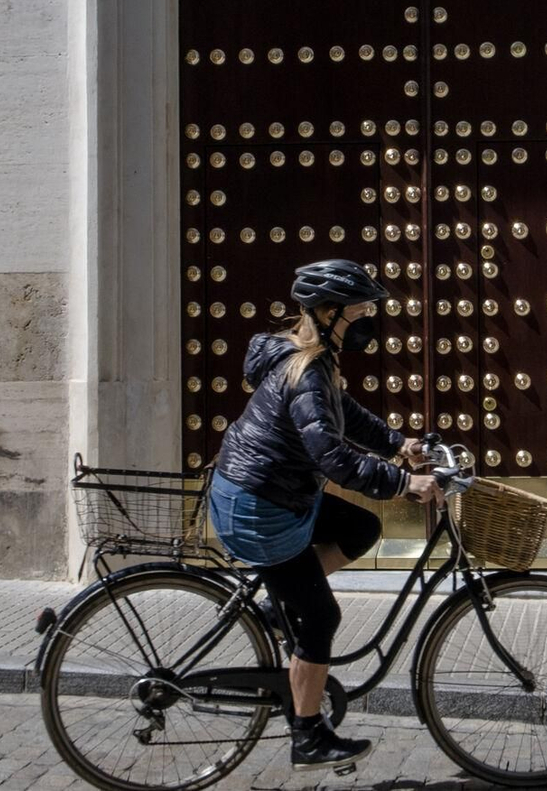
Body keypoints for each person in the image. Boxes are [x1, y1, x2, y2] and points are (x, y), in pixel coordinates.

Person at [207, 258, 443, 772]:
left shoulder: (315, 361)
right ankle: (308, 737)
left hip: (273, 494)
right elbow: (331, 457)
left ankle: (275, 611)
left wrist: (399, 443)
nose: (367, 323)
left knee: (362, 526)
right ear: (330, 313)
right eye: (360, 313)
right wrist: (404, 483)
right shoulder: (306, 370)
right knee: (321, 617)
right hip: (261, 508)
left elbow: (346, 415)